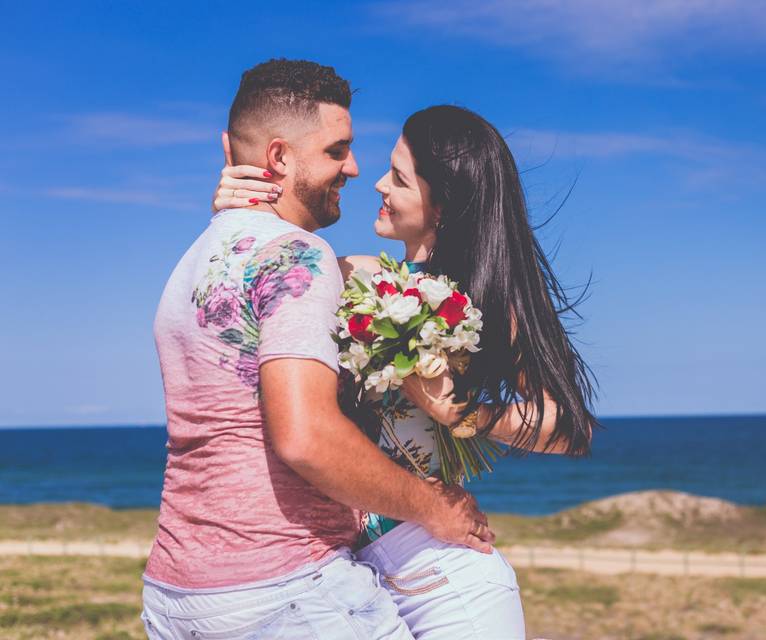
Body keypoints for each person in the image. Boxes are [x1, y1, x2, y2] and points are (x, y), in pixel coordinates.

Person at [213, 104, 598, 639]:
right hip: (347, 579)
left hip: (444, 575)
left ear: (442, 207)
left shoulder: (487, 302)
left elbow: (567, 428)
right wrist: (242, 212)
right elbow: (266, 275)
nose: (376, 184)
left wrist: (459, 412)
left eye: (397, 178)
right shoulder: (352, 276)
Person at [142, 60, 493, 640]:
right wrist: (436, 510)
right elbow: (306, 437)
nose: (355, 169)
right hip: (284, 592)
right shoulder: (299, 257)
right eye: (338, 150)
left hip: (177, 593)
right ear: (279, 158)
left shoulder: (193, 258)